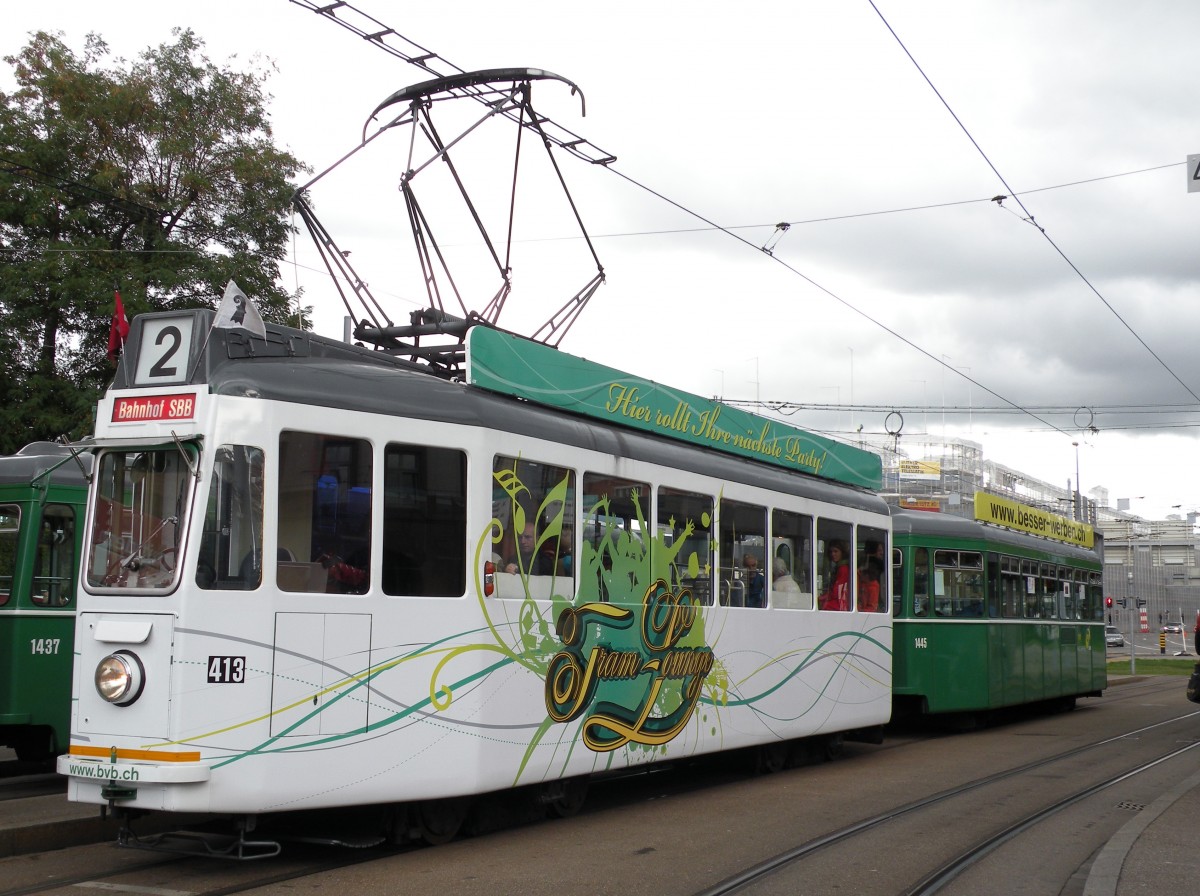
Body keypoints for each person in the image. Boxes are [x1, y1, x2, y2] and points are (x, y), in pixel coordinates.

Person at [819, 540, 850, 611]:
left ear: (842, 552)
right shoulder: (839, 567)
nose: (832, 554)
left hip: (838, 605)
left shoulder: (843, 569)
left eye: (836, 551)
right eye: (831, 552)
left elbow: (836, 592)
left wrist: (823, 598)